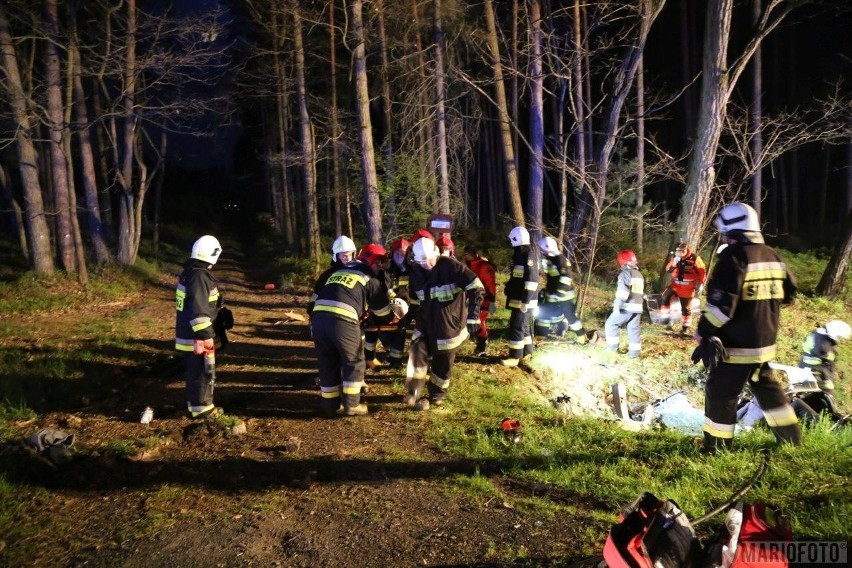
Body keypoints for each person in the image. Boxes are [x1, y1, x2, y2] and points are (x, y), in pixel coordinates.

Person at [695, 202, 801, 452]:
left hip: (736, 346)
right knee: (769, 391)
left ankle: (716, 448)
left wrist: (703, 332)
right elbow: (789, 295)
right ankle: (791, 441)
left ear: (733, 232)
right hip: (764, 344)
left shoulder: (733, 258)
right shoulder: (773, 255)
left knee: (721, 392)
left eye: (725, 234)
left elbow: (721, 309)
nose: (724, 239)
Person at [311, 243, 395, 417]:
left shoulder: (338, 272)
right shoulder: (370, 279)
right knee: (354, 361)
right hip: (342, 320)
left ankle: (330, 405)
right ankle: (352, 405)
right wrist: (389, 315)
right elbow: (383, 313)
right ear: (369, 260)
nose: (380, 266)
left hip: (318, 320)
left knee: (328, 361)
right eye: (378, 262)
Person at [403, 237, 484, 410]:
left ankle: (437, 394)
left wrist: (473, 314)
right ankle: (413, 391)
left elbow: (476, 286)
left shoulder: (451, 267)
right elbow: (416, 300)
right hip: (426, 322)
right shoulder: (416, 273)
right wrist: (407, 317)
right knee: (417, 350)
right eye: (422, 261)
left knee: (443, 359)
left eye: (430, 259)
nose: (427, 264)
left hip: (449, 325)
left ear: (436, 254)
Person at [175, 235, 225, 419]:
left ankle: (196, 406)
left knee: (196, 371)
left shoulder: (191, 273)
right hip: (198, 336)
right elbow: (198, 310)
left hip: (190, 335)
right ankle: (203, 410)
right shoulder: (199, 276)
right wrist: (207, 336)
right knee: (204, 372)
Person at [535, 236, 587, 342]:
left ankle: (582, 336)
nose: (542, 251)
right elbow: (551, 277)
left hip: (564, 296)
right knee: (544, 312)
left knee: (570, 316)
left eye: (543, 249)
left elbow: (567, 278)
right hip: (552, 294)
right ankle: (541, 335)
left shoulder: (560, 260)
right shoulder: (549, 258)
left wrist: (559, 293)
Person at [501, 226, 539, 367]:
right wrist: (509, 288)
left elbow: (532, 280)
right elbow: (517, 276)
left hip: (524, 299)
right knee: (523, 326)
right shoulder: (519, 254)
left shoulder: (528, 255)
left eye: (512, 239)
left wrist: (525, 301)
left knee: (516, 326)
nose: (511, 241)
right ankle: (527, 352)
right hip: (519, 297)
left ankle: (515, 356)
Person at [797, 319, 851, 417]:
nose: (839, 339)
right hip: (816, 376)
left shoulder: (815, 334)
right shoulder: (825, 345)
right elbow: (826, 367)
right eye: (839, 337)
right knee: (826, 400)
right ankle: (826, 418)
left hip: (804, 371)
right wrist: (829, 384)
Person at [604, 249, 644, 358]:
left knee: (611, 324)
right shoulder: (639, 274)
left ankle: (612, 350)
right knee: (633, 329)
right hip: (637, 308)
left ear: (622, 260)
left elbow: (623, 291)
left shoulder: (626, 273)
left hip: (627, 307)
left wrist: (617, 304)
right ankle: (634, 354)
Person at [660, 241, 706, 334]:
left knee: (686, 308)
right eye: (678, 251)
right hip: (675, 285)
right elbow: (668, 270)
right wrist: (674, 263)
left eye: (682, 251)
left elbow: (702, 271)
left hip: (687, 288)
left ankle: (685, 327)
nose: (680, 253)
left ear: (685, 250)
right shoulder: (675, 258)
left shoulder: (694, 258)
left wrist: (701, 283)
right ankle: (666, 321)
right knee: (665, 297)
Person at [308, 235, 358, 315]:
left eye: (350, 254)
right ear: (337, 257)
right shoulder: (327, 276)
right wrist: (312, 309)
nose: (348, 258)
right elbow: (316, 294)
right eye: (344, 256)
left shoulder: (358, 273)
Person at [462, 245, 497, 357]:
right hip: (472, 299)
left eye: (465, 255)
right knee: (474, 322)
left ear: (471, 255)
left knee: (479, 322)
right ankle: (480, 344)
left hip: (483, 299)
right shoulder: (469, 265)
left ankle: (482, 345)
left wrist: (491, 301)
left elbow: (490, 285)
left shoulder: (483, 266)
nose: (464, 257)